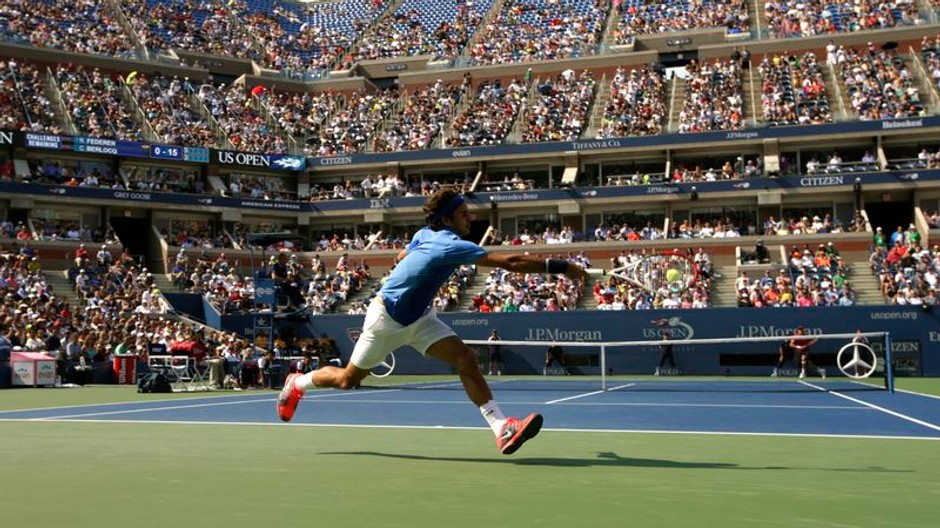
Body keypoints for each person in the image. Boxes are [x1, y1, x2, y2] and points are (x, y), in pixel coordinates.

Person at [277, 189, 589, 455]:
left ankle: (502, 427)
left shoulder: (424, 235)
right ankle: (297, 383)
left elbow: (403, 254)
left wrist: (409, 265)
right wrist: (562, 266)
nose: (469, 219)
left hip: (421, 318)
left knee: (465, 358)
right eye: (463, 215)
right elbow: (512, 261)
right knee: (347, 380)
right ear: (447, 220)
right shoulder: (450, 245)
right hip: (386, 320)